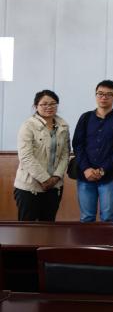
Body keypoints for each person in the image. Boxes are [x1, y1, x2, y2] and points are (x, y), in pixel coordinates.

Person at [72, 80, 113, 222]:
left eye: (109, 94)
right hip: (85, 175)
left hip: (110, 176)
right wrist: (86, 169)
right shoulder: (85, 117)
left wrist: (103, 169)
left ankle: (108, 239)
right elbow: (77, 144)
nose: (104, 97)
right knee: (87, 217)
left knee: (108, 216)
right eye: (100, 94)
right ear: (95, 95)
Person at [14, 90, 70, 221]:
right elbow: (26, 156)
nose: (49, 107)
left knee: (48, 226)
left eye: (53, 103)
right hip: (30, 187)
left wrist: (56, 177)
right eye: (44, 104)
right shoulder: (28, 126)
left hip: (55, 186)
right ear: (36, 106)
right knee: (28, 228)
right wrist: (45, 179)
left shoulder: (63, 126)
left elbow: (65, 153)